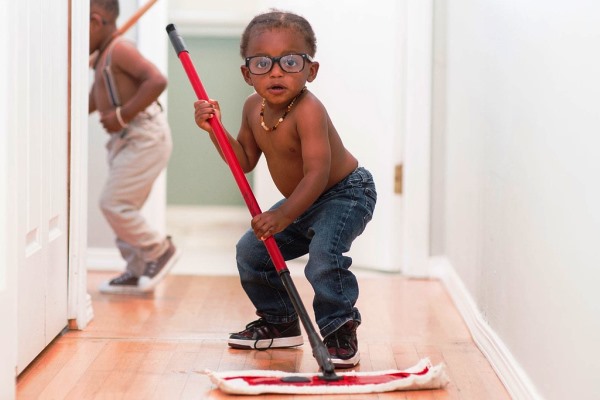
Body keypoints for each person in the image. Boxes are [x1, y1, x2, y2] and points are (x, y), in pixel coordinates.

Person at [193, 10, 377, 368]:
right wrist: (214, 129)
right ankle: (280, 322)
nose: (276, 72)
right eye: (262, 63)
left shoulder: (309, 111)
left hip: (344, 193)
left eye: (290, 61)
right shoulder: (252, 109)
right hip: (302, 201)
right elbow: (243, 160)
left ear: (311, 70)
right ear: (247, 74)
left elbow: (318, 174)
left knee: (324, 256)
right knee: (252, 252)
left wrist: (282, 214)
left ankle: (339, 328)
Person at [89, 0, 179, 294]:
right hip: (124, 139)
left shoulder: (120, 50)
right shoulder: (104, 55)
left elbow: (156, 80)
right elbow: (95, 100)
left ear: (95, 21)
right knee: (124, 205)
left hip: (144, 134)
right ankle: (136, 267)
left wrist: (120, 115)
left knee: (114, 203)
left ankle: (158, 250)